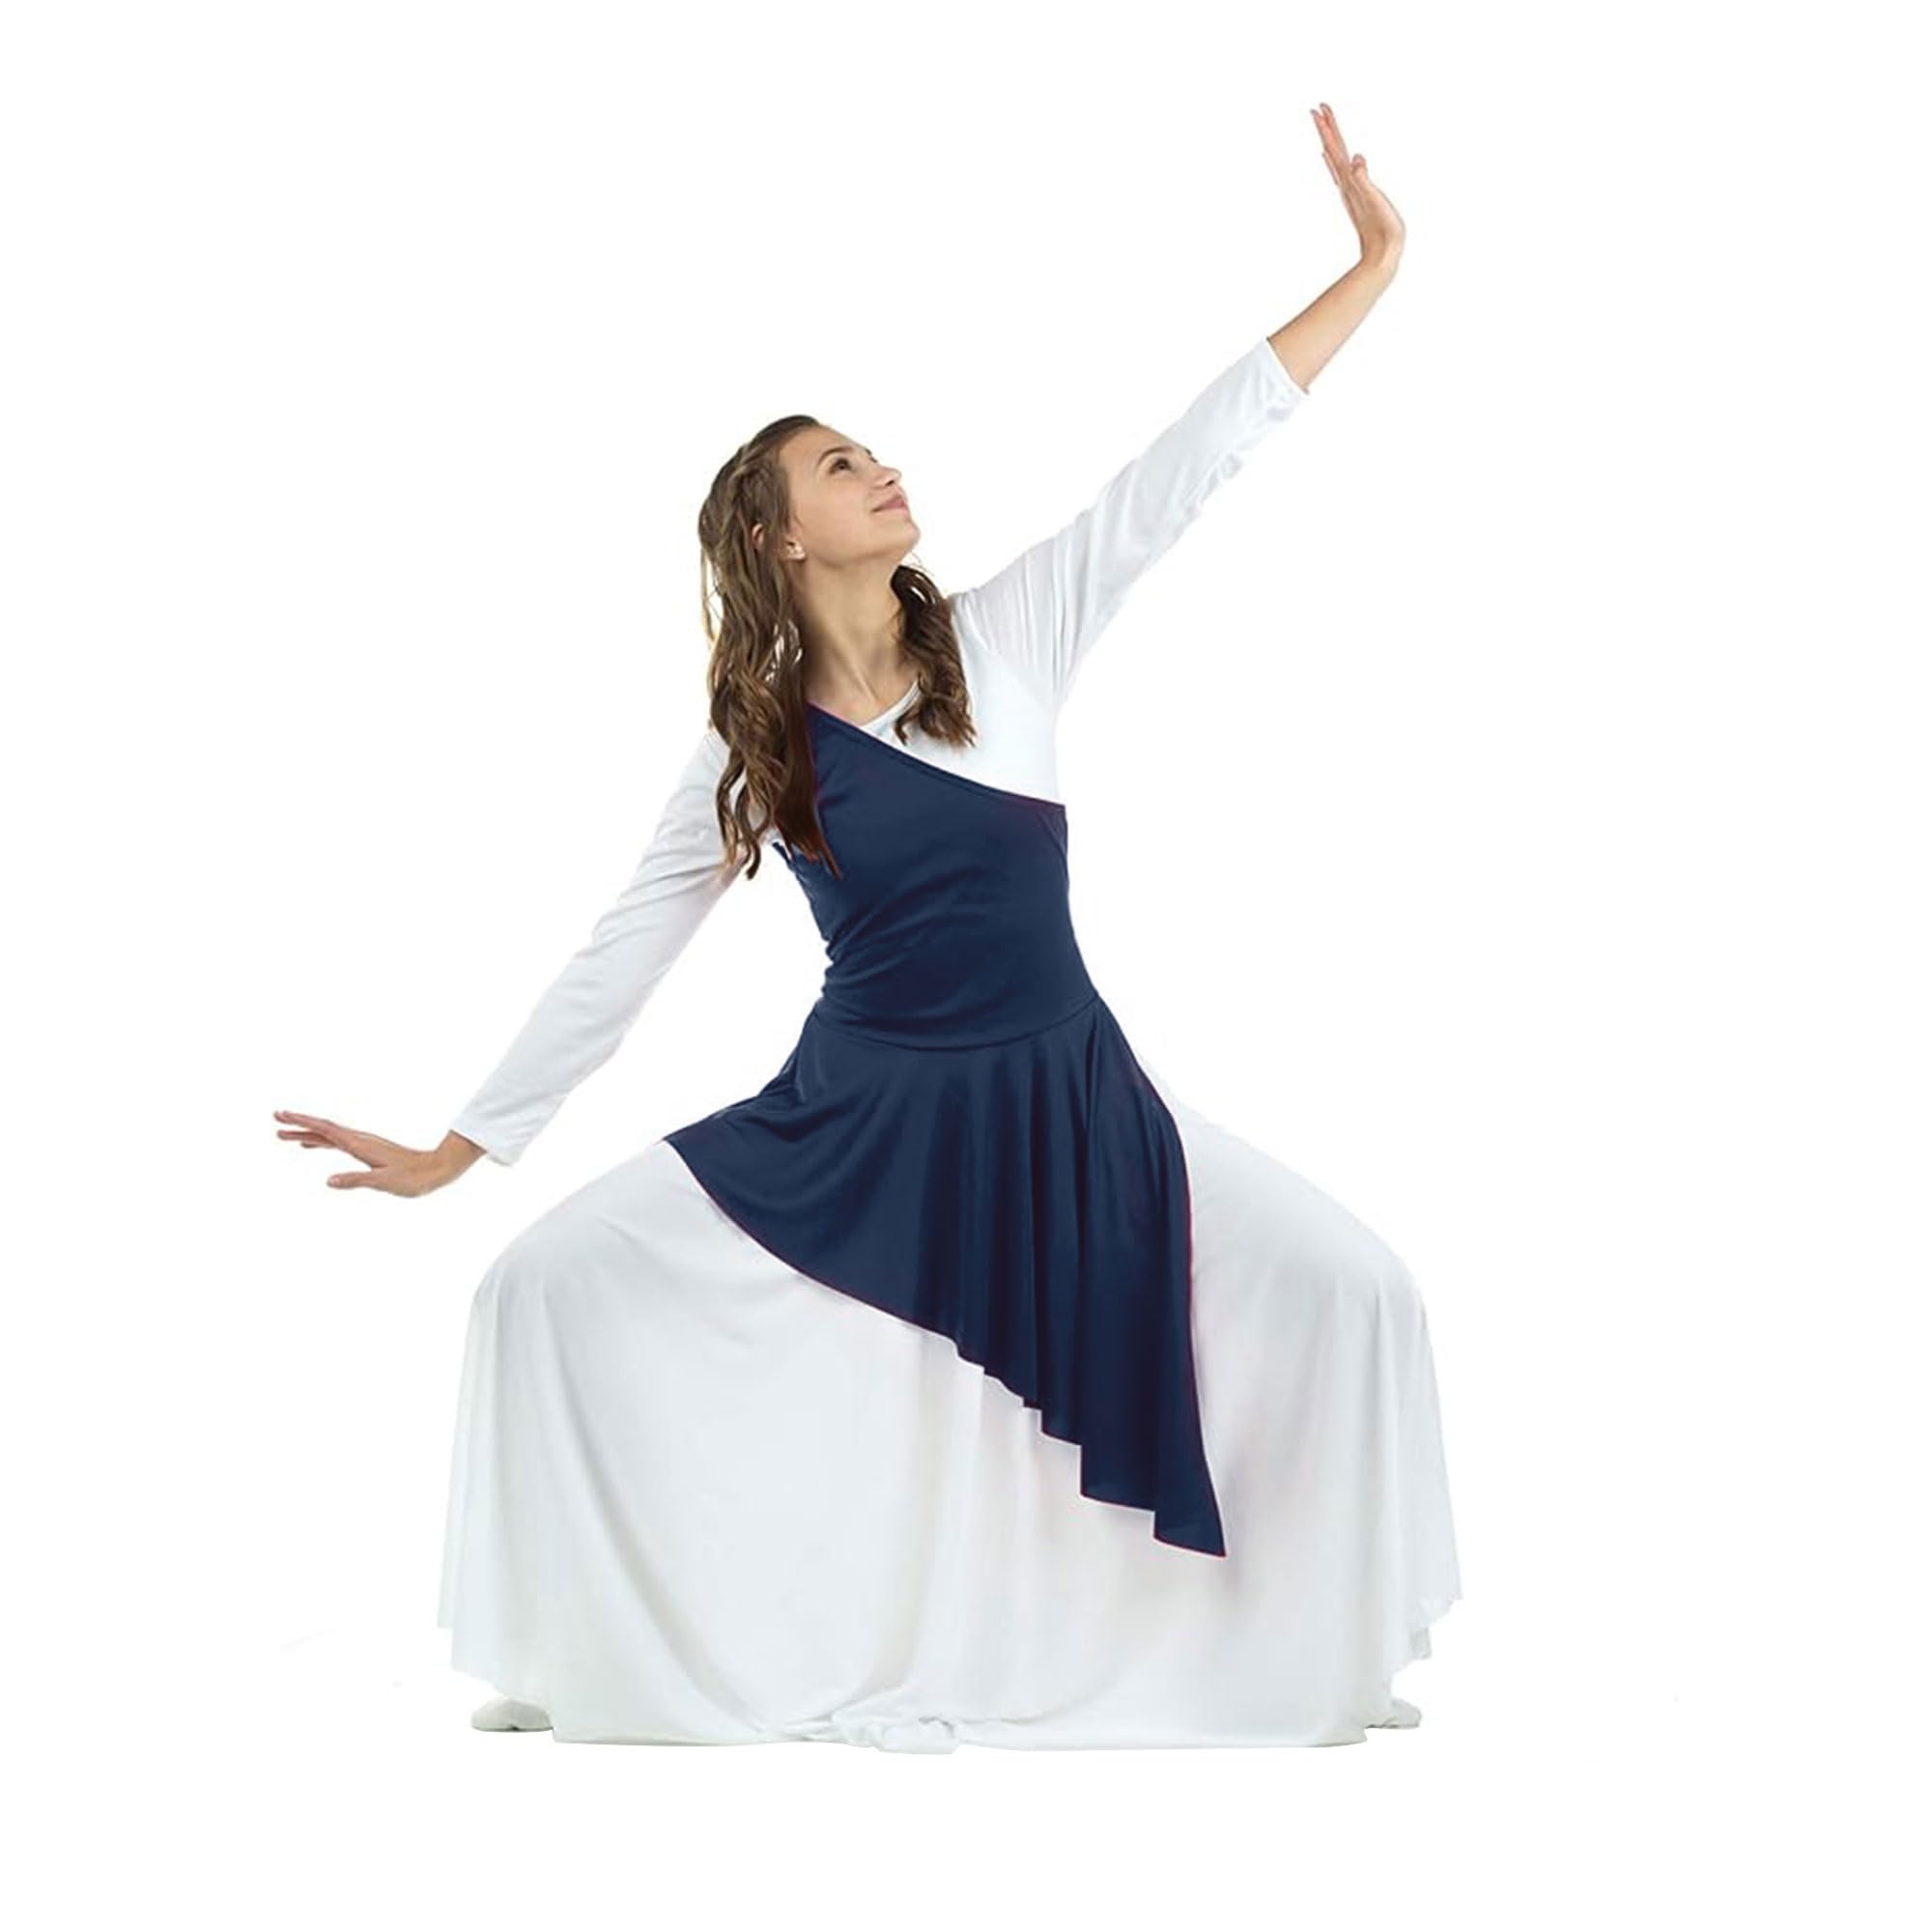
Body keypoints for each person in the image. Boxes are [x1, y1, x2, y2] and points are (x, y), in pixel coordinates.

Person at [275, 103, 1461, 1749]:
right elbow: (626, 947)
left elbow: (1186, 464)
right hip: (859, 1117)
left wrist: (1371, 267)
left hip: (1070, 1099)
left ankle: (1308, 1654)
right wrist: (462, 1148)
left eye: (873, 451)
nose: (882, 469)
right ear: (778, 536)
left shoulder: (1013, 635)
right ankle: (576, 1654)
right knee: (540, 1285)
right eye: (840, 464)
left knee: (1357, 1287)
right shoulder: (753, 744)